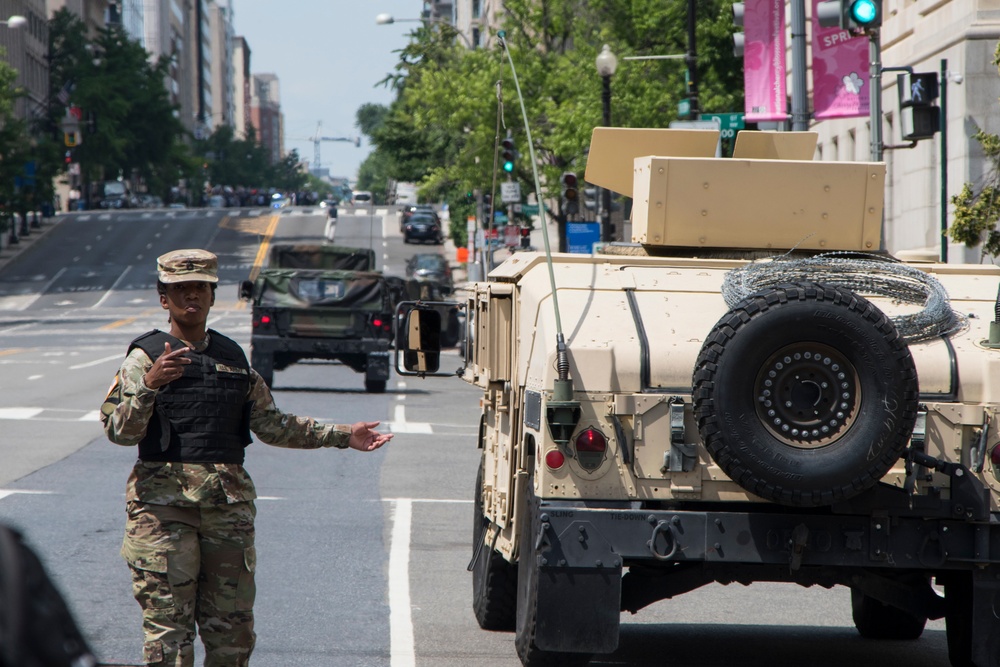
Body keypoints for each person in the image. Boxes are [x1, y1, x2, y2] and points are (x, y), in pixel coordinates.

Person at [100, 249, 392, 667]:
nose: (191, 298)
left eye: (200, 288)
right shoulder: (144, 358)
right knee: (169, 642)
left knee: (232, 638)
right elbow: (119, 431)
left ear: (213, 295)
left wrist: (345, 436)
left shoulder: (232, 358)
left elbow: (273, 425)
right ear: (163, 298)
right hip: (163, 514)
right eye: (180, 289)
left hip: (227, 513)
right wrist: (148, 385)